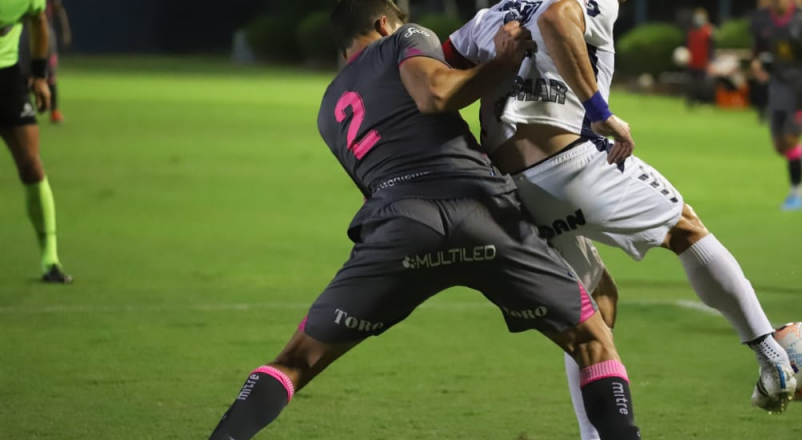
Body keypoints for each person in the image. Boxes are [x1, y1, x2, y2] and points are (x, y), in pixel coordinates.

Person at [207, 1, 643, 439]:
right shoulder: (405, 38)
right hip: (481, 211)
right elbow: (435, 94)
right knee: (593, 340)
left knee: (296, 360)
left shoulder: (329, 108)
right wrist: (504, 62)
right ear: (383, 24)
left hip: (400, 227)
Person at [444, 1, 798, 438]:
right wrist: (599, 110)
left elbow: (437, 83)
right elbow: (557, 18)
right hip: (571, 165)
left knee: (593, 310)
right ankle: (772, 356)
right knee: (685, 229)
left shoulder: (489, 18)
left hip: (515, 194)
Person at [1, 0, 71, 283]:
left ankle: (50, 260)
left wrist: (41, 77)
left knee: (31, 166)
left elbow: (39, 20)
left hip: (6, 79)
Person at [750, 0, 802, 211]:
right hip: (778, 87)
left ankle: (796, 195)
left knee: (790, 140)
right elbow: (759, 50)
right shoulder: (762, 18)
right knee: (780, 146)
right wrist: (756, 65)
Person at [686, 8, 714, 107]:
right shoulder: (692, 31)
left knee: (703, 84)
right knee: (692, 83)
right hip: (692, 62)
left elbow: (711, 48)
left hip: (703, 62)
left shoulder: (708, 31)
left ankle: (704, 101)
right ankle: (691, 101)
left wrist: (709, 61)